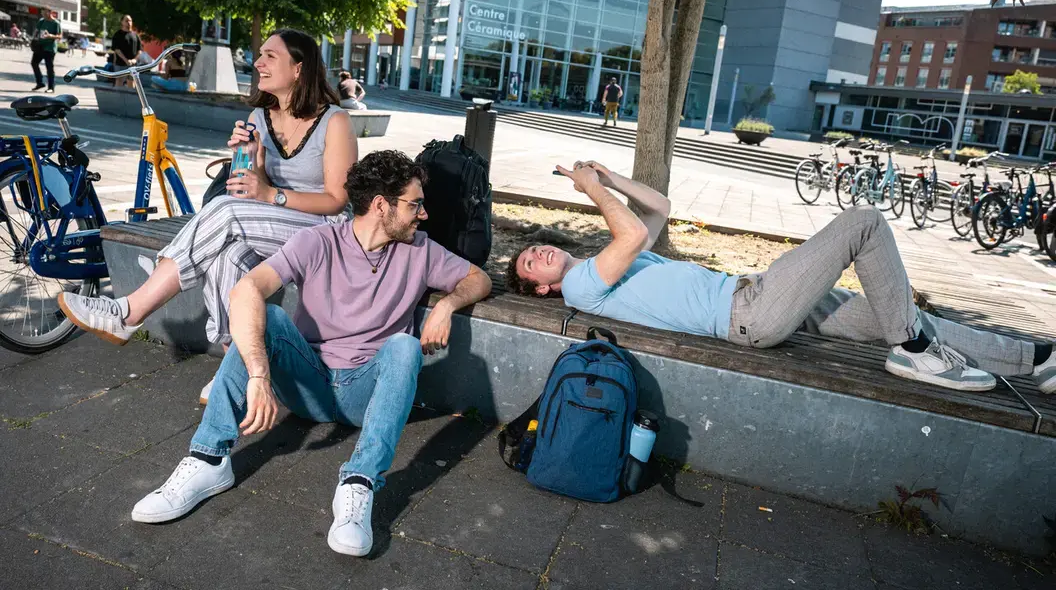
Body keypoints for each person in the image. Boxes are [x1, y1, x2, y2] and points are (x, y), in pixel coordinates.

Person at [128, 150, 493, 557]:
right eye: (414, 204)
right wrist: (259, 377)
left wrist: (445, 305)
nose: (422, 214)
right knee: (265, 316)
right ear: (379, 206)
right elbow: (246, 289)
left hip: (363, 393)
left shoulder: (421, 250)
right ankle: (208, 460)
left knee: (404, 347)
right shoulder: (318, 241)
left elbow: (479, 279)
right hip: (307, 382)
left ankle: (358, 486)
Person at [506, 161, 1056, 395]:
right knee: (862, 223)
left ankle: (1036, 360)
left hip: (758, 295)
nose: (538, 251)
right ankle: (912, 349)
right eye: (530, 262)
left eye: (534, 247)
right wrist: (593, 193)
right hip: (751, 315)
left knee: (904, 313)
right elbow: (627, 234)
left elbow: (659, 207)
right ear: (543, 288)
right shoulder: (581, 289)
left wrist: (607, 176)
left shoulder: (606, 264)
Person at [58, 28, 358, 365]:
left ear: (298, 68)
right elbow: (252, 188)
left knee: (225, 212)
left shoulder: (335, 121)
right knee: (225, 258)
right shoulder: (260, 117)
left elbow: (336, 199)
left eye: (270, 56)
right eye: (259, 55)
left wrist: (270, 194)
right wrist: (250, 158)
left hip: (324, 231)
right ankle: (236, 366)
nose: (258, 62)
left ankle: (129, 311)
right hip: (275, 227)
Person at [31, 8, 61, 93]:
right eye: (41, 13)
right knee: (34, 63)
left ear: (49, 12)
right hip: (40, 47)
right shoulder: (41, 21)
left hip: (50, 48)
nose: (42, 14)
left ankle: (51, 87)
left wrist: (50, 36)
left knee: (49, 68)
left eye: (44, 13)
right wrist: (33, 40)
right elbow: (36, 32)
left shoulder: (56, 23)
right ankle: (40, 82)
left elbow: (59, 36)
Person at [110, 15, 142, 88]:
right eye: (126, 20)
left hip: (133, 65)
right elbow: (117, 50)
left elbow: (139, 50)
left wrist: (134, 60)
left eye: (130, 20)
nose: (129, 22)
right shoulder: (117, 35)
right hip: (120, 64)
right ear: (122, 22)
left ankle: (130, 98)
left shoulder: (135, 36)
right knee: (119, 81)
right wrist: (126, 60)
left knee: (132, 81)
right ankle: (118, 98)